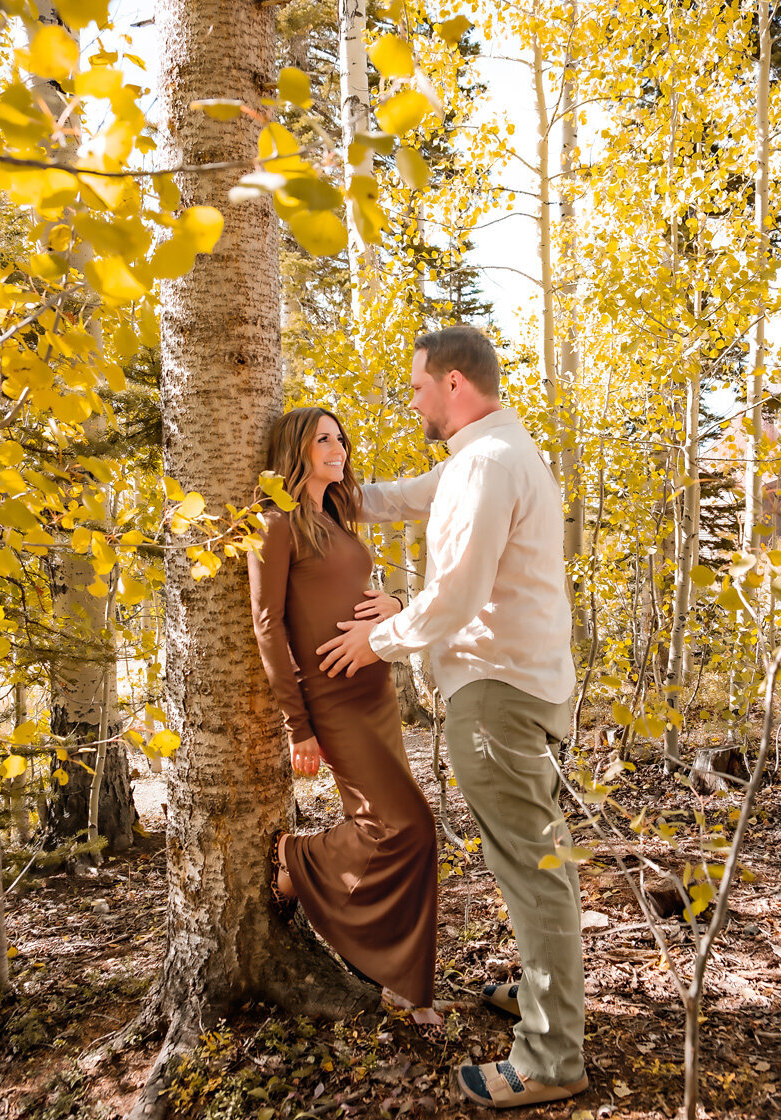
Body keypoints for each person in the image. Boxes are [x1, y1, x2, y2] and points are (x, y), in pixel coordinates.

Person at [316, 326, 588, 1109]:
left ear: (454, 386)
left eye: (417, 386)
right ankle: (546, 1000)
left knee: (535, 872)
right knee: (531, 863)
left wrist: (380, 640)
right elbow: (410, 496)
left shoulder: (490, 464)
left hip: (497, 696)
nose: (412, 399)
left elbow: (459, 596)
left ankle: (550, 1057)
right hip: (515, 685)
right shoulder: (486, 455)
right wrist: (339, 494)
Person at [247, 406, 439, 1023]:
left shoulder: (336, 515)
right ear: (296, 451)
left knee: (404, 831)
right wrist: (296, 724)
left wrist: (396, 602)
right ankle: (296, 863)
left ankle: (402, 985)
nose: (338, 447)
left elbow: (365, 594)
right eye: (323, 439)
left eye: (340, 438)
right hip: (331, 698)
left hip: (376, 690)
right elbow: (266, 625)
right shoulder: (274, 524)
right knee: (404, 827)